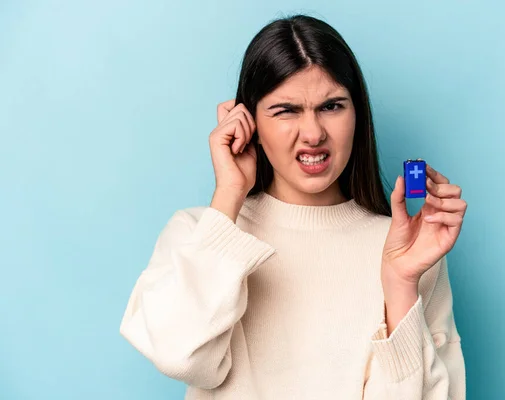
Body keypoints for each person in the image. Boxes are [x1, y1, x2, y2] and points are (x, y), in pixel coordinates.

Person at [119, 14, 467, 400]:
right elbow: (179, 357)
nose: (314, 133)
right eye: (286, 110)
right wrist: (229, 194)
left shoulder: (411, 251)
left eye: (332, 106)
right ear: (247, 121)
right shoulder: (199, 234)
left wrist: (401, 283)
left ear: (358, 114)